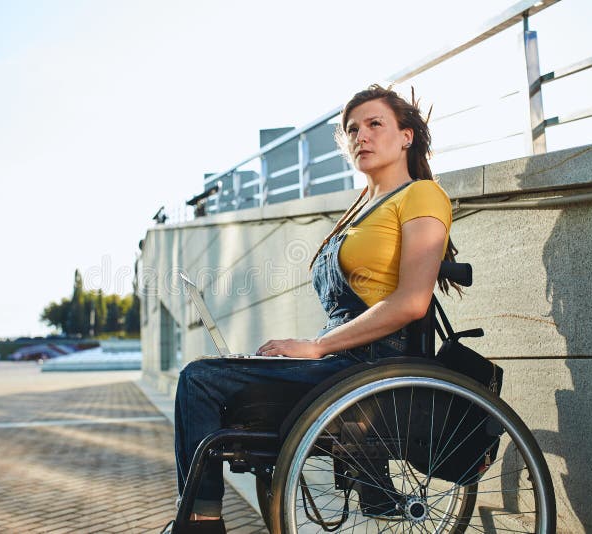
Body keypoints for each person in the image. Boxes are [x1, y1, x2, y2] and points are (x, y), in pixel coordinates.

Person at [168, 84, 461, 533]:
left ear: (406, 136)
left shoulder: (421, 196)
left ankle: (203, 523)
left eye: (374, 124)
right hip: (345, 363)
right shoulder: (361, 210)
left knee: (200, 381)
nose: (360, 135)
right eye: (352, 129)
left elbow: (411, 301)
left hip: (372, 366)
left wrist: (317, 346)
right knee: (224, 379)